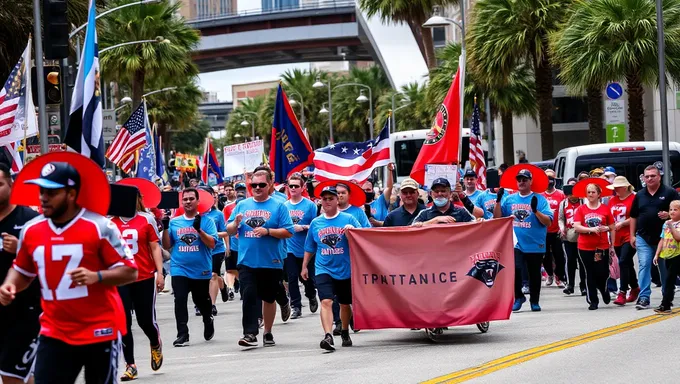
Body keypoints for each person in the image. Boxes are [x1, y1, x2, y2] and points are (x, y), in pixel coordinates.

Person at [0, 161, 137, 384]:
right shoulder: (32, 230)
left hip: (100, 330)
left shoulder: (100, 226)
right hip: (54, 331)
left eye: (51, 192)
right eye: (41, 191)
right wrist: (10, 285)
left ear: (71, 194)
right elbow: (22, 270)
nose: (43, 197)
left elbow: (130, 271)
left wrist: (97, 276)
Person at [227, 170, 294, 347]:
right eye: (253, 185)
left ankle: (268, 332)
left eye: (261, 185)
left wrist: (268, 232)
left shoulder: (279, 206)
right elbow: (230, 229)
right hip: (247, 260)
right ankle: (249, 333)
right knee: (248, 295)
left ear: (270, 184)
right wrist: (235, 223)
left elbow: (288, 231)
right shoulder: (242, 205)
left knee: (269, 298)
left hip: (271, 261)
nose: (257, 188)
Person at [111, 191, 164, 381]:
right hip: (120, 279)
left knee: (145, 321)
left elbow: (154, 246)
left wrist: (160, 272)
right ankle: (130, 365)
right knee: (123, 322)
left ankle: (155, 342)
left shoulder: (146, 219)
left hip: (144, 276)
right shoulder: (110, 222)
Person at [302, 186, 360, 351]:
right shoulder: (316, 223)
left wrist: (352, 231)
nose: (327, 202)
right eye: (324, 199)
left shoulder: (348, 218)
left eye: (330, 198)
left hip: (345, 268)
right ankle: (328, 335)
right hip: (323, 268)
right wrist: (304, 266)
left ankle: (344, 330)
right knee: (326, 301)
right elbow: (310, 246)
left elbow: (363, 237)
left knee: (344, 303)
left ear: (337, 200)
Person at [162, 188, 218, 347]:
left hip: (201, 269)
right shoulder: (175, 222)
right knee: (179, 299)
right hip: (179, 267)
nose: (187, 202)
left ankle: (208, 319)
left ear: (198, 201)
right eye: (185, 199)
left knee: (201, 300)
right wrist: (165, 228)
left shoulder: (207, 221)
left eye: (191, 199)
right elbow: (167, 245)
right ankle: (182, 334)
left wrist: (199, 229)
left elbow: (212, 244)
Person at [0, 163, 40, 384]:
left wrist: (21, 248)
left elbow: (48, 264)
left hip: (26, 311)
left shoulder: (29, 221)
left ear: (11, 185)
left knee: (13, 376)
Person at [494, 168, 553, 312]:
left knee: (534, 273)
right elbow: (497, 218)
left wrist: (535, 211)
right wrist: (498, 200)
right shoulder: (509, 199)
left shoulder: (540, 199)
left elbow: (548, 222)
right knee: (516, 269)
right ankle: (518, 296)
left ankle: (534, 300)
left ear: (531, 181)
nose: (521, 182)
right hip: (515, 243)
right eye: (519, 179)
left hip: (535, 243)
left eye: (525, 179)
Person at [630, 165, 680, 309]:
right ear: (643, 178)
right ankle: (644, 297)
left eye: (653, 176)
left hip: (665, 238)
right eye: (647, 176)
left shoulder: (669, 192)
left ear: (659, 177)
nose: (650, 178)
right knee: (644, 265)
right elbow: (633, 216)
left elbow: (678, 210)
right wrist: (632, 235)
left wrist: (668, 215)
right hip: (643, 237)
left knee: (664, 268)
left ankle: (666, 297)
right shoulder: (639, 195)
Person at [573, 182, 616, 310]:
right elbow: (576, 226)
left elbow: (613, 227)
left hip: (601, 246)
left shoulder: (605, 208)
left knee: (602, 272)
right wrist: (590, 230)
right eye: (588, 192)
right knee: (589, 273)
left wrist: (612, 245)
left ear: (599, 194)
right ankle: (593, 300)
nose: (590, 194)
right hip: (585, 247)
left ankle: (603, 289)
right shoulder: (581, 209)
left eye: (593, 192)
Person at [284, 173, 319, 319]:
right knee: (292, 277)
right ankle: (295, 306)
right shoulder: (284, 206)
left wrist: (303, 227)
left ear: (302, 187)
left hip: (306, 248)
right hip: (289, 248)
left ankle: (311, 295)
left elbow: (316, 225)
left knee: (308, 278)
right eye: (290, 186)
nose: (293, 188)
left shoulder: (310, 205)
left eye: (296, 186)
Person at [606, 176, 640, 306]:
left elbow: (636, 216)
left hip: (629, 234)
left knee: (624, 260)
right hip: (616, 236)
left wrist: (623, 223)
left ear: (625, 187)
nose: (615, 190)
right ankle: (635, 287)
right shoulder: (612, 200)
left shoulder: (634, 198)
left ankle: (622, 292)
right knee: (626, 263)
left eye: (618, 188)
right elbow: (609, 217)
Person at [199, 187, 230, 315]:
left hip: (216, 249)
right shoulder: (194, 214)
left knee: (212, 275)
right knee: (206, 277)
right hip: (200, 251)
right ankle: (223, 287)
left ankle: (211, 304)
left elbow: (226, 232)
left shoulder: (218, 214)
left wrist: (213, 235)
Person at [558, 178, 586, 296]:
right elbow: (560, 218)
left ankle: (583, 285)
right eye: (569, 194)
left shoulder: (583, 202)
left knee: (582, 261)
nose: (571, 196)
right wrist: (561, 227)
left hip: (582, 235)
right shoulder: (563, 203)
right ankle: (570, 284)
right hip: (568, 235)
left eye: (573, 194)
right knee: (570, 260)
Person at [653, 200, 680, 313]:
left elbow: (678, 237)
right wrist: (657, 254)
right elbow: (662, 239)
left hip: (678, 255)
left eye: (675, 209)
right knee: (669, 280)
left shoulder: (677, 224)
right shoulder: (666, 223)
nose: (672, 212)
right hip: (667, 256)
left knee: (669, 280)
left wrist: (671, 226)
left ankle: (665, 305)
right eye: (670, 209)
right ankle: (666, 304)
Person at [541, 169, 567, 288]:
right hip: (543, 231)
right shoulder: (540, 195)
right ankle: (550, 274)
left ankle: (559, 277)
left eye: (551, 179)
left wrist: (563, 227)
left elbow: (565, 212)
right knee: (545, 256)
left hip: (556, 230)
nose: (549, 182)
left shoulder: (561, 194)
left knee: (559, 256)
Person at [223, 182, 247, 300]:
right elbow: (226, 228)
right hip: (234, 244)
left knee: (243, 269)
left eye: (243, 189)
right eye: (239, 190)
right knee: (232, 269)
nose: (241, 192)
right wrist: (227, 246)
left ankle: (243, 288)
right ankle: (232, 287)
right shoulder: (228, 208)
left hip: (247, 246)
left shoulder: (250, 204)